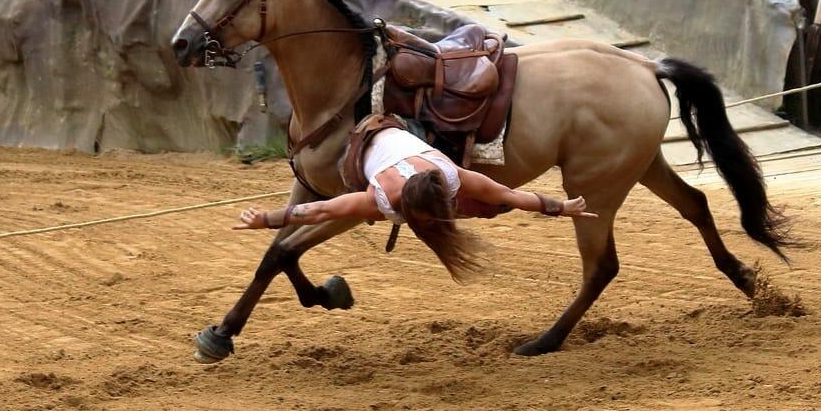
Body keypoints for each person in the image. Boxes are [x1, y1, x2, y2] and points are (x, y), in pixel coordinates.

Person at [233, 124, 596, 282]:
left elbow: (510, 194)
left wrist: (561, 207)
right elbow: (320, 209)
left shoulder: (450, 174)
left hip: (406, 135)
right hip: (368, 146)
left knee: (493, 204)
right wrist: (265, 219)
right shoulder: (377, 199)